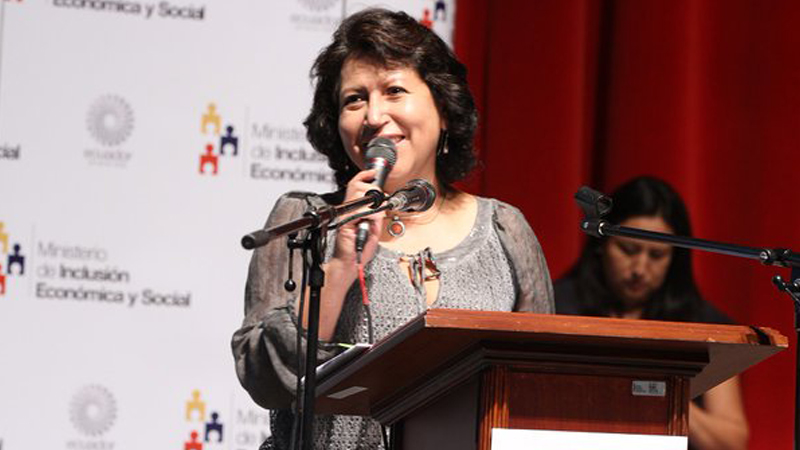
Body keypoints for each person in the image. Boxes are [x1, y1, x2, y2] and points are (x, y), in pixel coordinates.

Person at [231, 8, 554, 450]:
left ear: (444, 109)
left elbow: (542, 385)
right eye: (354, 99)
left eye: (394, 91)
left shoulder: (504, 229)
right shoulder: (305, 222)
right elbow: (266, 380)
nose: (373, 115)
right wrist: (340, 267)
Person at [555, 176, 748, 450]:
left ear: (675, 258)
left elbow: (733, 441)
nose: (639, 269)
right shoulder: (557, 308)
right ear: (601, 244)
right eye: (628, 249)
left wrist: (662, 392)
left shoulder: (703, 324)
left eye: (656, 255)